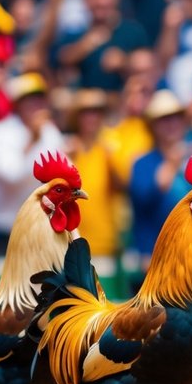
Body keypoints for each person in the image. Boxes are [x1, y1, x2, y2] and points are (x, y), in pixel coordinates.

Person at [0, 73, 67, 255]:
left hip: (43, 229)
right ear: (17, 104)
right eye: (29, 99)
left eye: (39, 99)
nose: (36, 105)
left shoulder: (51, 132)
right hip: (6, 231)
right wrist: (33, 141)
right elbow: (12, 176)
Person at [128, 90, 192, 264]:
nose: (171, 124)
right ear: (153, 126)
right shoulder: (142, 164)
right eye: (164, 119)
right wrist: (171, 165)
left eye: (175, 118)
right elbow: (144, 202)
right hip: (154, 260)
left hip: (191, 258)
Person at [67, 88, 120, 257]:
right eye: (85, 112)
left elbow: (124, 187)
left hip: (106, 244)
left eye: (96, 112)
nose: (91, 117)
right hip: (72, 243)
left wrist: (111, 160)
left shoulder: (113, 146)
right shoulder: (68, 149)